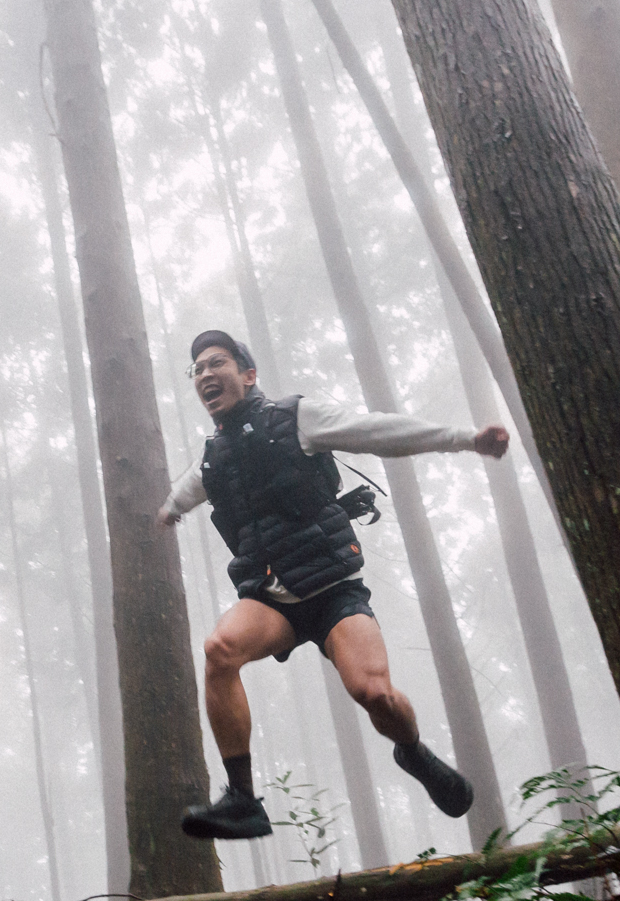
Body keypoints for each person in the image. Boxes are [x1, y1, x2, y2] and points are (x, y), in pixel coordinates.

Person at [158, 329, 512, 840]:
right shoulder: (212, 456)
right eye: (198, 370)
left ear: (248, 374)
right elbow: (186, 491)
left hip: (331, 590)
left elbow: (377, 431)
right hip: (271, 597)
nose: (207, 374)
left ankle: (412, 750)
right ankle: (242, 799)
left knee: (373, 693)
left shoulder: (294, 418)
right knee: (220, 650)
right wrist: (167, 511)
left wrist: (465, 439)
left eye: (218, 363)